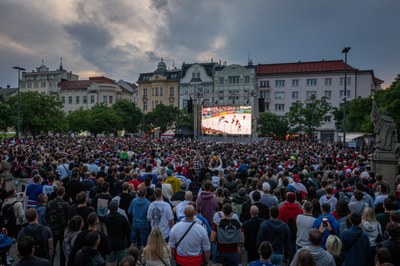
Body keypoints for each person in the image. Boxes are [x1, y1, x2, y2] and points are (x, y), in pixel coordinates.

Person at [45, 186, 70, 266]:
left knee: (51, 249)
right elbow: (67, 218)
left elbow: (46, 216)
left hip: (52, 228)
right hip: (62, 229)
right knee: (63, 250)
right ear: (63, 193)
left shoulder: (50, 203)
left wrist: (50, 223)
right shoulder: (66, 204)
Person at [104, 200, 131, 266]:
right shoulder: (122, 218)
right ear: (117, 208)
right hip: (121, 243)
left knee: (110, 262)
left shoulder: (105, 218)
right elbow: (129, 230)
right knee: (122, 263)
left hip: (110, 243)